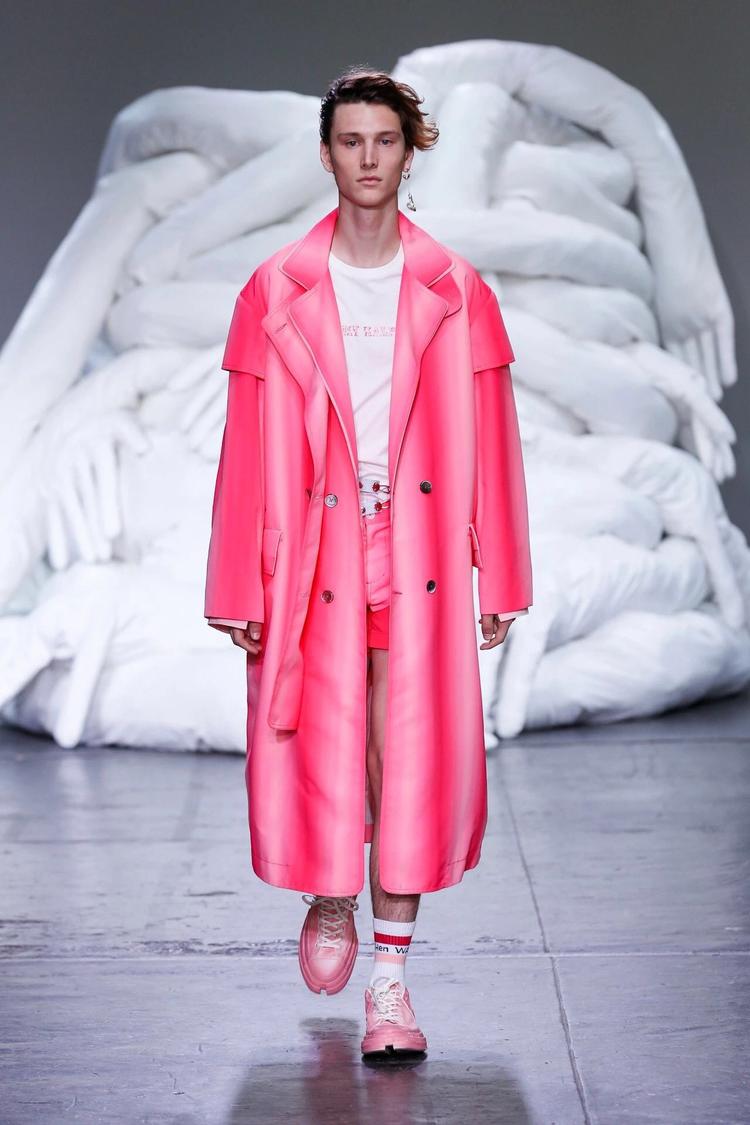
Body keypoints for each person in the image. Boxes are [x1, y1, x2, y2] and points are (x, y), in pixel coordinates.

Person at [204, 66, 532, 1058]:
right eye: (350, 141)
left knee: (405, 756)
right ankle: (330, 890)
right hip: (313, 550)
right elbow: (244, 442)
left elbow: (495, 438)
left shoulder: (456, 289)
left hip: (415, 547)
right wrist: (234, 579)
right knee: (323, 738)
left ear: (409, 150)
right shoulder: (275, 287)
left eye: (384, 140)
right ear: (326, 154)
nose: (367, 159)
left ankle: (390, 983)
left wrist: (502, 572)